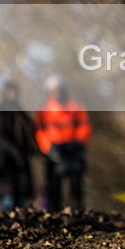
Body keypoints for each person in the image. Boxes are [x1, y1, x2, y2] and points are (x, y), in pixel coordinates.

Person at [35, 75, 92, 211]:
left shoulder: (75, 107)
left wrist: (78, 142)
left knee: (76, 185)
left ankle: (77, 212)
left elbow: (85, 126)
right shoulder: (43, 110)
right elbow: (39, 131)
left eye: (58, 89)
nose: (56, 92)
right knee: (53, 185)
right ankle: (55, 213)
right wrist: (49, 147)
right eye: (53, 89)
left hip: (73, 149)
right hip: (54, 152)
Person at [0, 80, 36, 212]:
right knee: (8, 201)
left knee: (22, 201)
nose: (13, 94)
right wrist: (14, 151)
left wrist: (28, 149)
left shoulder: (21, 113)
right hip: (6, 164)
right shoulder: (0, 111)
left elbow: (29, 132)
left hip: (20, 165)